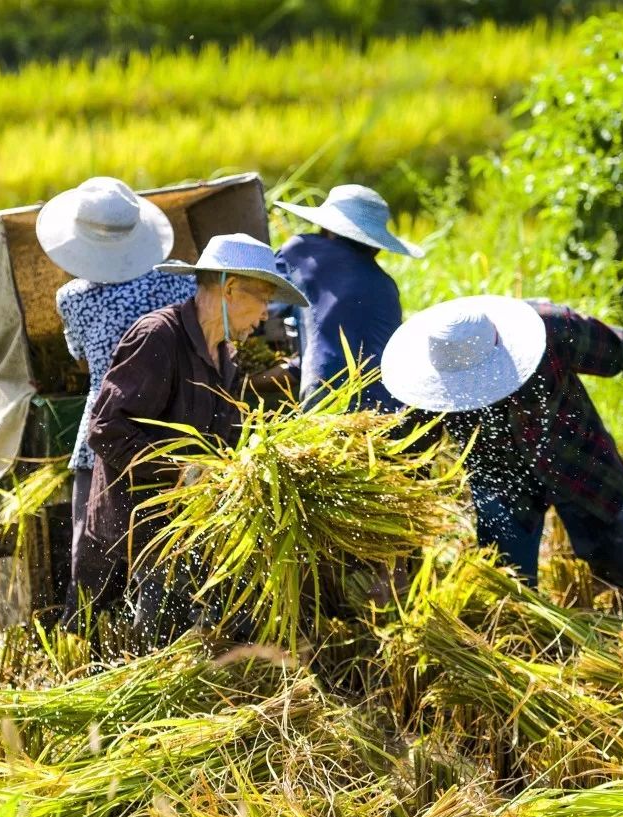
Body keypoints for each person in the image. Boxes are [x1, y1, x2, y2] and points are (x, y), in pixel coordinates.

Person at [70, 233, 308, 639]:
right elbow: (106, 429)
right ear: (230, 288)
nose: (266, 314)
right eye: (263, 299)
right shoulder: (158, 338)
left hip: (182, 531)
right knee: (139, 647)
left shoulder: (223, 356)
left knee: (196, 633)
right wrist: (181, 469)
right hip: (134, 534)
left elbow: (222, 436)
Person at [380, 295, 623, 592]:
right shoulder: (430, 386)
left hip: (579, 459)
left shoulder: (551, 329)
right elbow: (408, 465)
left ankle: (622, 621)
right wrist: (393, 559)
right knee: (508, 590)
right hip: (503, 483)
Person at [37, 177, 193, 628]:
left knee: (91, 545)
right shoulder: (177, 282)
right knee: (160, 547)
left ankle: (80, 630)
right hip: (168, 431)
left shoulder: (73, 298)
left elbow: (79, 358)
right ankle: (153, 638)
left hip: (105, 429)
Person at [272, 184, 423, 411]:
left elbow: (261, 306)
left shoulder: (303, 250)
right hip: (386, 410)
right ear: (376, 244)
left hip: (325, 399)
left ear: (328, 228)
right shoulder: (386, 286)